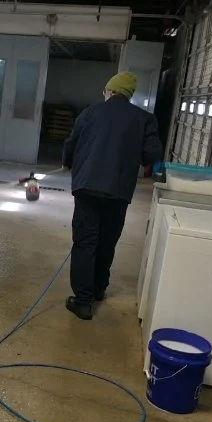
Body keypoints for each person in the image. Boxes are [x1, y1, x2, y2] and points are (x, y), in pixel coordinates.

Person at [62, 72, 164, 320]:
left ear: (109, 91)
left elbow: (70, 145)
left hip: (87, 187)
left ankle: (83, 301)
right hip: (119, 191)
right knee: (107, 241)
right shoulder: (144, 119)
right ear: (128, 96)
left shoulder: (90, 113)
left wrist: (69, 164)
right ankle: (98, 290)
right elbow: (153, 154)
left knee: (85, 242)